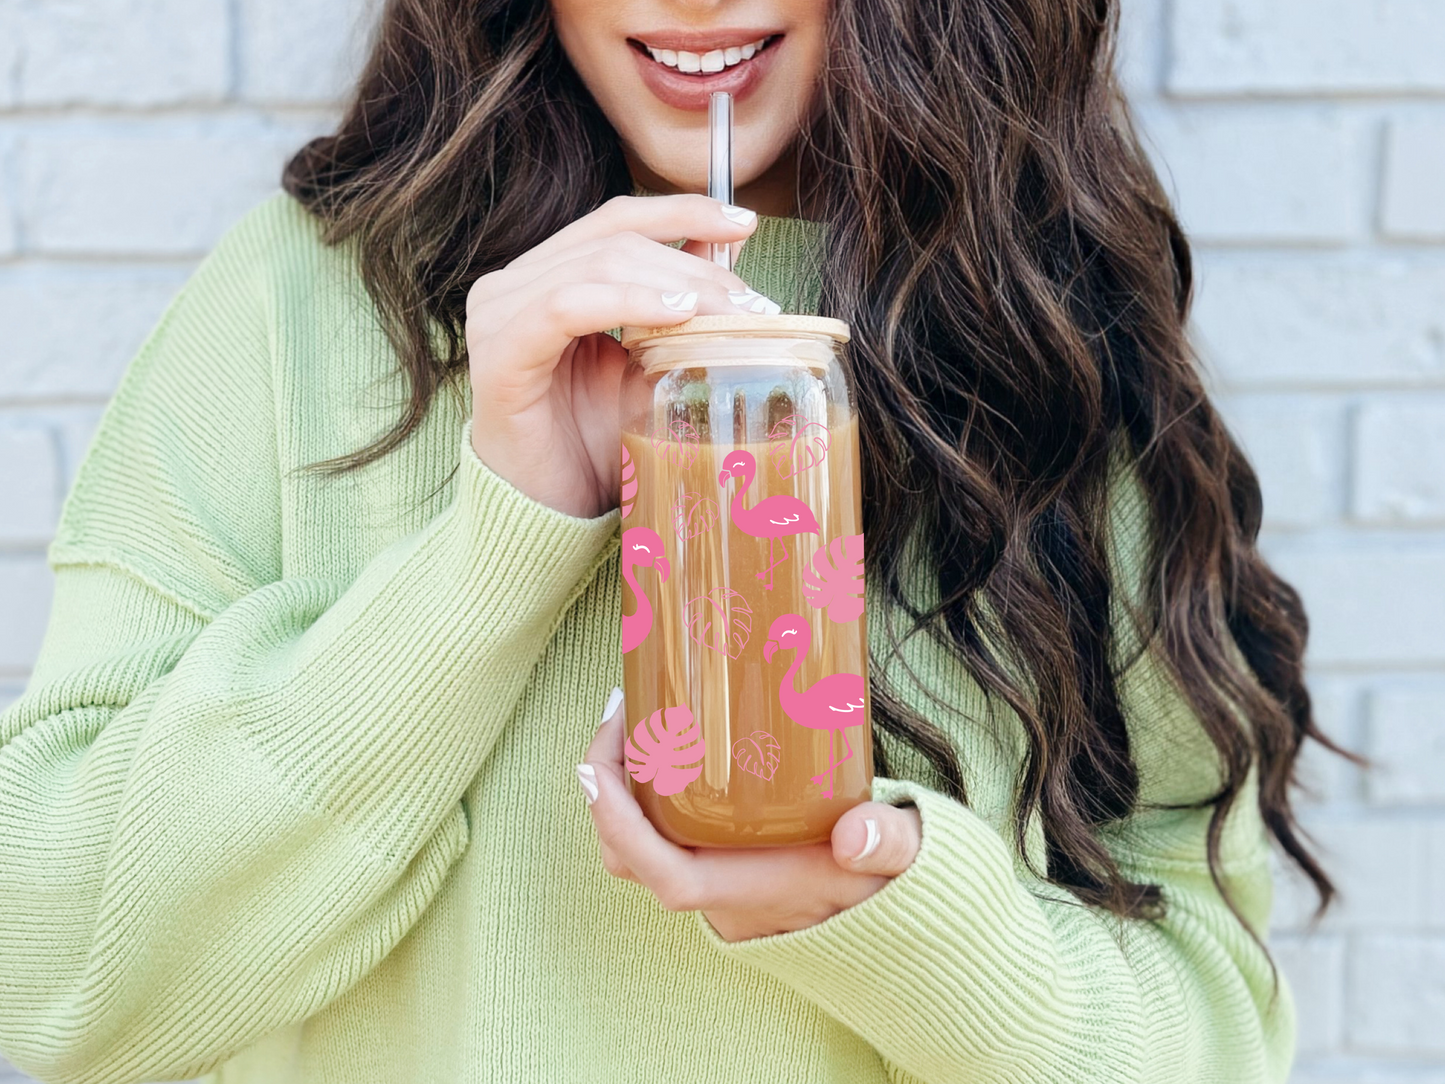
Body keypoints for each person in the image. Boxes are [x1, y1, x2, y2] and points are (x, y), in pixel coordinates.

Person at [0, 0, 1347, 1081]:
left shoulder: (1048, 363)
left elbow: (1213, 1035)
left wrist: (900, 925)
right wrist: (503, 540)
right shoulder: (304, 299)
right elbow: (48, 974)